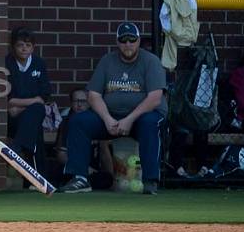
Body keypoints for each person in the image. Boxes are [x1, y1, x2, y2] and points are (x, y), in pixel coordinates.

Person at [60, 22, 167, 195]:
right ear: (117, 42)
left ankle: (150, 181)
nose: (128, 44)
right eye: (123, 40)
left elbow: (155, 99)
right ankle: (79, 178)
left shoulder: (151, 61)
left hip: (141, 117)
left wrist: (129, 119)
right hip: (111, 118)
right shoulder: (107, 61)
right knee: (79, 121)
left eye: (132, 40)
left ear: (138, 41)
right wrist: (107, 119)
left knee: (150, 122)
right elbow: (93, 95)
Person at [4, 27, 51, 178]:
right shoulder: (6, 63)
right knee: (35, 123)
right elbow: (8, 99)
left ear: (33, 47)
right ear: (13, 47)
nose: (24, 48)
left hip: (28, 114)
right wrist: (31, 102)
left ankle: (16, 148)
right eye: (20, 45)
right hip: (10, 119)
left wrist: (20, 106)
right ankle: (39, 176)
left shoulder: (39, 64)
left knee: (37, 111)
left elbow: (44, 96)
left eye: (28, 45)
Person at [54, 87, 114, 189]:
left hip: (93, 172)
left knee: (106, 179)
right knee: (56, 174)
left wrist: (112, 178)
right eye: (75, 101)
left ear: (90, 103)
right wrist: (82, 168)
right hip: (73, 169)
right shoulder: (66, 122)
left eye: (83, 101)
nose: (79, 104)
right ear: (71, 103)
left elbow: (104, 152)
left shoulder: (97, 121)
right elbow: (61, 155)